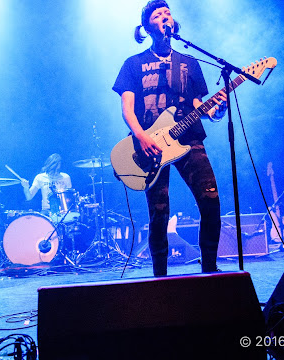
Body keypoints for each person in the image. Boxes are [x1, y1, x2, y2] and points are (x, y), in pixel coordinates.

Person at [112, 0, 227, 276]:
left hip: (189, 141)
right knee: (159, 213)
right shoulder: (133, 64)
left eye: (168, 12)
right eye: (157, 14)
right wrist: (140, 137)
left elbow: (202, 106)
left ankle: (210, 270)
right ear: (146, 26)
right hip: (149, 145)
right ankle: (160, 278)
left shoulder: (189, 63)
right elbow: (127, 108)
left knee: (211, 202)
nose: (165, 16)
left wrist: (217, 110)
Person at [21, 153, 73, 218]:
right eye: (53, 170)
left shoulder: (66, 177)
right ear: (48, 167)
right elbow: (29, 197)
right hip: (46, 211)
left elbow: (70, 197)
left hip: (63, 210)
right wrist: (26, 187)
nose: (55, 173)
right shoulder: (40, 177)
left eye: (58, 170)